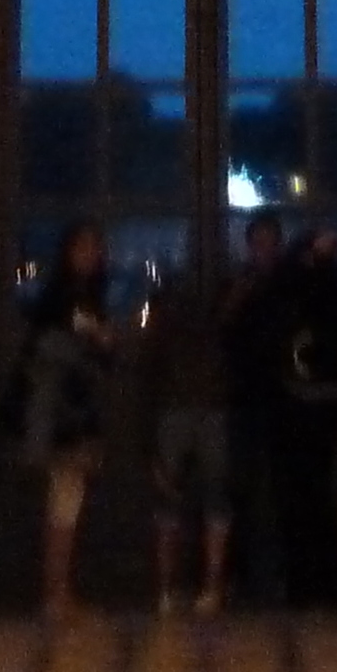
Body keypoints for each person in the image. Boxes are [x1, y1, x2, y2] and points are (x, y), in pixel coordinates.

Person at [19, 221, 113, 620]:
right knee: (64, 499)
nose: (91, 256)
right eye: (84, 248)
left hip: (73, 406)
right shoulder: (62, 297)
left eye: (95, 248)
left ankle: (59, 590)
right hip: (62, 411)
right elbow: (63, 345)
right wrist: (96, 338)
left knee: (68, 500)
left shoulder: (86, 294)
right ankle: (54, 593)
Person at [270, 225, 337, 607]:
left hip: (314, 400)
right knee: (305, 496)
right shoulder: (313, 284)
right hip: (303, 399)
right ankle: (312, 584)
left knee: (311, 495)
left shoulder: (330, 288)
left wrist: (311, 260)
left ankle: (317, 585)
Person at [143, 257, 231, 616]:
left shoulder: (167, 322)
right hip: (199, 408)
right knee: (212, 501)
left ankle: (172, 590)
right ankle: (205, 587)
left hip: (181, 408)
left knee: (176, 502)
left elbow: (148, 378)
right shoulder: (215, 323)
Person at [219, 211, 294, 602]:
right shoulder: (240, 282)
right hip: (246, 398)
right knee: (242, 489)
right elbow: (222, 327)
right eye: (257, 242)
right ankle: (242, 578)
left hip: (284, 398)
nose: (263, 249)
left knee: (283, 490)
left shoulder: (289, 283)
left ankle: (280, 576)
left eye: (270, 241)